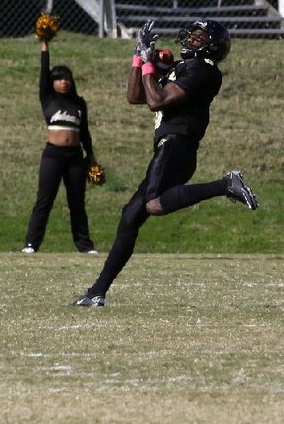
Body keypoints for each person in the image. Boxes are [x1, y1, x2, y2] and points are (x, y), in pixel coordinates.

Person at [72, 19, 259, 307]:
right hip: (168, 147)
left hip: (177, 144)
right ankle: (97, 291)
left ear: (213, 44)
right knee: (129, 217)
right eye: (193, 35)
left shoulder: (204, 70)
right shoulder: (183, 68)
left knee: (154, 204)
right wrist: (139, 57)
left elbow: (156, 101)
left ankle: (226, 185)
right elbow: (136, 96)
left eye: (200, 37)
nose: (193, 40)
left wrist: (150, 65)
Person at [22, 31, 98, 255]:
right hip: (53, 155)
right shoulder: (48, 98)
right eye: (58, 79)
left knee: (77, 202)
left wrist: (91, 155)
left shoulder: (78, 103)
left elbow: (84, 131)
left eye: (66, 78)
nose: (63, 82)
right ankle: (31, 244)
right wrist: (45, 45)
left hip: (75, 156)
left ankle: (84, 245)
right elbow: (43, 74)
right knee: (44, 201)